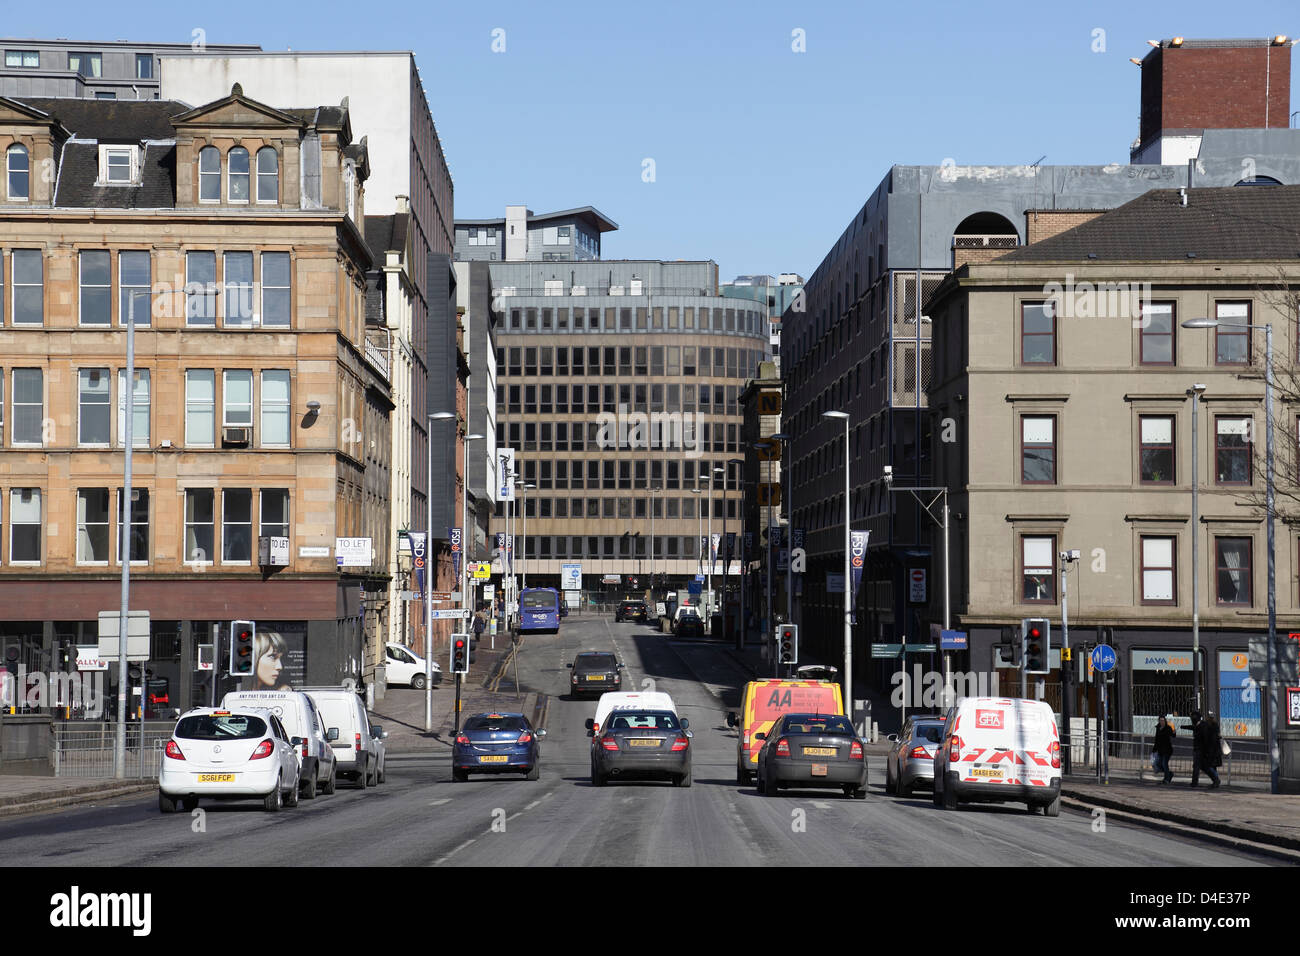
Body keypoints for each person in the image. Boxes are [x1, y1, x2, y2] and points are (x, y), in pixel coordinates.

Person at [1190, 710, 1222, 789]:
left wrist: (1207, 750)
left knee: (1205, 766)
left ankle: (1215, 780)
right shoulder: (1205, 725)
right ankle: (1215, 780)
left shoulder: (1206, 726)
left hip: (1206, 750)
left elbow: (1207, 739)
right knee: (1205, 766)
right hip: (1207, 749)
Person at [1153, 715, 1175, 784]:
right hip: (1160, 749)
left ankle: (1166, 779)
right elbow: (1156, 739)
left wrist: (1174, 731)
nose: (1162, 722)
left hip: (1167, 749)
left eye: (1163, 720)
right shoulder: (1158, 728)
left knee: (1164, 764)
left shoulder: (1168, 728)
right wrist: (1154, 749)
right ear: (1159, 721)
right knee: (1158, 765)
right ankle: (1169, 774)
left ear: (1165, 721)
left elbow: (1173, 735)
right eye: (1160, 720)